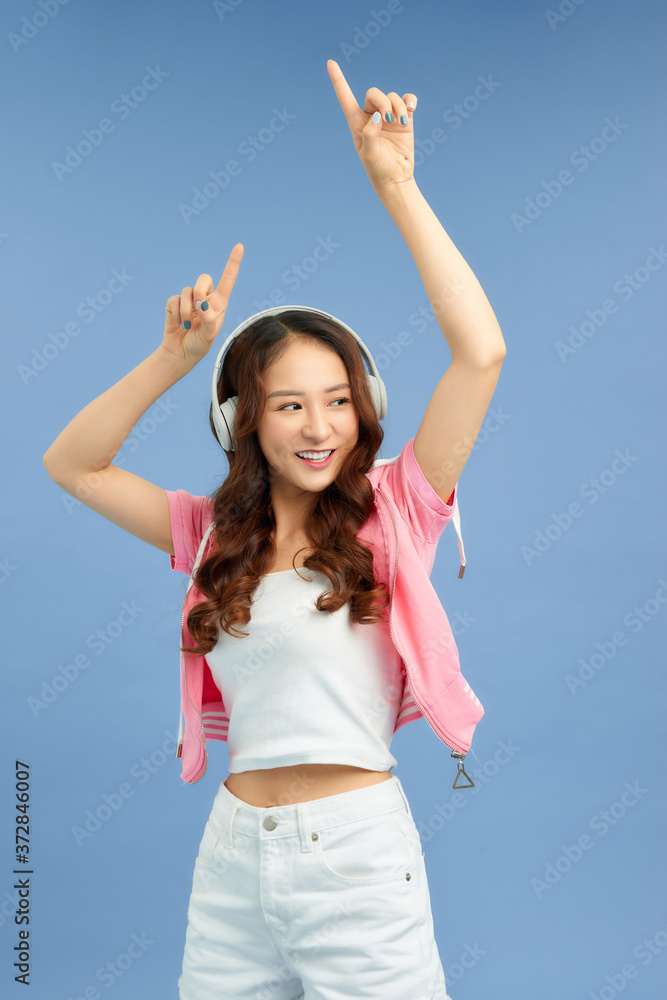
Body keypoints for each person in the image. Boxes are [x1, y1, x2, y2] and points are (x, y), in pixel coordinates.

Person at [43, 59, 506, 1000]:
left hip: (359, 865)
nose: (319, 426)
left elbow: (480, 351)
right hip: (230, 865)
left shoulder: (397, 507)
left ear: (363, 406)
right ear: (244, 420)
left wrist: (397, 185)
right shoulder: (213, 533)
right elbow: (73, 465)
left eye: (337, 401)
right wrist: (173, 358)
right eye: (288, 404)